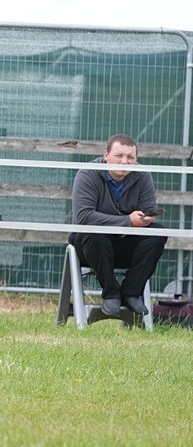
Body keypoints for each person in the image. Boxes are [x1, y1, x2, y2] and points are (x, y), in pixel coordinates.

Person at [70, 134, 167, 317]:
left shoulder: (143, 175)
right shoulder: (87, 174)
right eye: (119, 156)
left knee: (158, 233)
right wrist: (127, 221)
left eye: (130, 157)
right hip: (91, 248)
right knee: (93, 233)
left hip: (126, 246)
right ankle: (111, 294)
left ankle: (131, 293)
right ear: (106, 155)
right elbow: (84, 217)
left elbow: (148, 210)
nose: (125, 162)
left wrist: (147, 218)